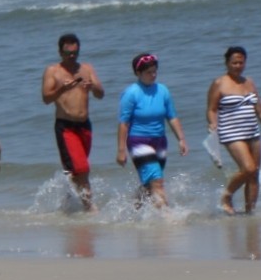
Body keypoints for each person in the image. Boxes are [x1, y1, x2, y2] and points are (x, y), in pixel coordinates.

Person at [205, 45, 261, 215]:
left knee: (254, 174)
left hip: (252, 132)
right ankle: (226, 196)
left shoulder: (249, 82)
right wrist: (212, 124)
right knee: (248, 168)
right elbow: (211, 109)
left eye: (241, 62)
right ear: (227, 63)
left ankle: (250, 214)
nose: (238, 66)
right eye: (234, 63)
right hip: (231, 133)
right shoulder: (219, 83)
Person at [40, 32, 105, 210]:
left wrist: (92, 87)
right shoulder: (53, 71)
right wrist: (62, 89)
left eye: (75, 53)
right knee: (82, 168)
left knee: (76, 170)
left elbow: (101, 94)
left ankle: (68, 204)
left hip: (85, 126)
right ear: (60, 52)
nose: (72, 57)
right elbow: (46, 98)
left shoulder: (86, 68)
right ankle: (90, 208)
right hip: (66, 127)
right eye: (68, 53)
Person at [116, 53, 189, 208]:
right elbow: (124, 124)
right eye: (149, 72)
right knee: (157, 181)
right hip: (138, 141)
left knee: (150, 185)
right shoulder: (131, 93)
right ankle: (167, 218)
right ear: (138, 73)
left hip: (160, 141)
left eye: (155, 71)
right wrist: (121, 150)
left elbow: (172, 117)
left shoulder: (163, 90)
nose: (153, 75)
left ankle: (133, 209)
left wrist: (181, 139)